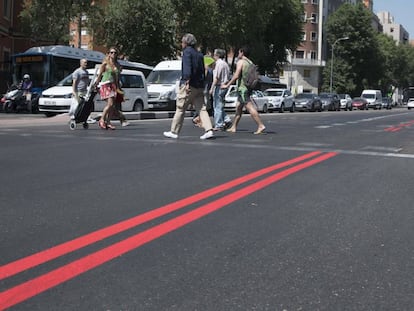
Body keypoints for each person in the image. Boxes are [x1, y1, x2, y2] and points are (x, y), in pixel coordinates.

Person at [163, 33, 214, 140]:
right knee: (202, 109)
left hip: (189, 85)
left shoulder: (187, 52)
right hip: (199, 86)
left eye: (182, 42)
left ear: (186, 43)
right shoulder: (199, 54)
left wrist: (186, 82)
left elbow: (187, 69)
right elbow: (202, 70)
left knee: (180, 108)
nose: (181, 44)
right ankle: (209, 130)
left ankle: (174, 131)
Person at [222, 46, 266, 134]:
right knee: (238, 108)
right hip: (248, 87)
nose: (238, 54)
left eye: (239, 52)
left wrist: (227, 85)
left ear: (242, 52)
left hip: (243, 89)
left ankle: (261, 125)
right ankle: (233, 127)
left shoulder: (241, 62)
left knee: (249, 107)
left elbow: (236, 75)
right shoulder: (250, 62)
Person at [94, 47, 122, 130]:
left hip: (113, 86)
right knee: (110, 104)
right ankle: (102, 120)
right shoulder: (105, 64)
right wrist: (96, 84)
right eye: (111, 52)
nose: (113, 54)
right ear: (109, 54)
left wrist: (119, 88)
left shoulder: (118, 65)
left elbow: (117, 77)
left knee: (112, 106)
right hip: (105, 85)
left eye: (115, 53)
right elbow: (99, 76)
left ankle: (108, 122)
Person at [209, 48, 232, 131]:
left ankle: (219, 124)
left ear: (217, 55)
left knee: (217, 106)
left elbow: (216, 78)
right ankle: (226, 119)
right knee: (220, 105)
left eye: (214, 54)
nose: (213, 56)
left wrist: (211, 88)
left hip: (219, 86)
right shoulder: (225, 64)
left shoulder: (218, 64)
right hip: (225, 85)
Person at [69, 59, 95, 123]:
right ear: (81, 63)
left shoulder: (86, 72)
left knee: (86, 106)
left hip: (85, 91)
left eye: (86, 63)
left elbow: (87, 82)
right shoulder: (77, 72)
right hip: (78, 91)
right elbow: (74, 83)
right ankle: (74, 118)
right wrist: (74, 91)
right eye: (84, 63)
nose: (86, 64)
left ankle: (85, 118)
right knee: (78, 105)